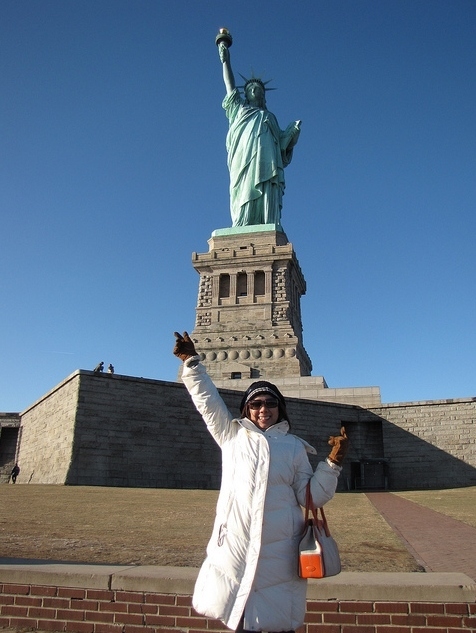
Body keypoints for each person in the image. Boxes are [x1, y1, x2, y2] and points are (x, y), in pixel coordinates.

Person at [173, 331, 348, 633]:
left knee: (279, 622)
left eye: (270, 403)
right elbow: (207, 401)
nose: (263, 409)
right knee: (238, 618)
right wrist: (192, 363)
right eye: (255, 404)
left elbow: (311, 497)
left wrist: (332, 464)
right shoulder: (231, 435)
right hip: (236, 546)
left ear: (280, 408)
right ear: (247, 409)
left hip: (280, 553)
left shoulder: (294, 446)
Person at [218, 38, 301, 229]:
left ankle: (267, 220)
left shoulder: (270, 117)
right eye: (251, 88)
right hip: (243, 159)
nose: (256, 90)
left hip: (267, 161)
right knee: (244, 188)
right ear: (245, 94)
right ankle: (242, 222)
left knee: (267, 183)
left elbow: (281, 148)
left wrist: (292, 135)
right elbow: (230, 86)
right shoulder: (239, 109)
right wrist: (225, 61)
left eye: (259, 89)